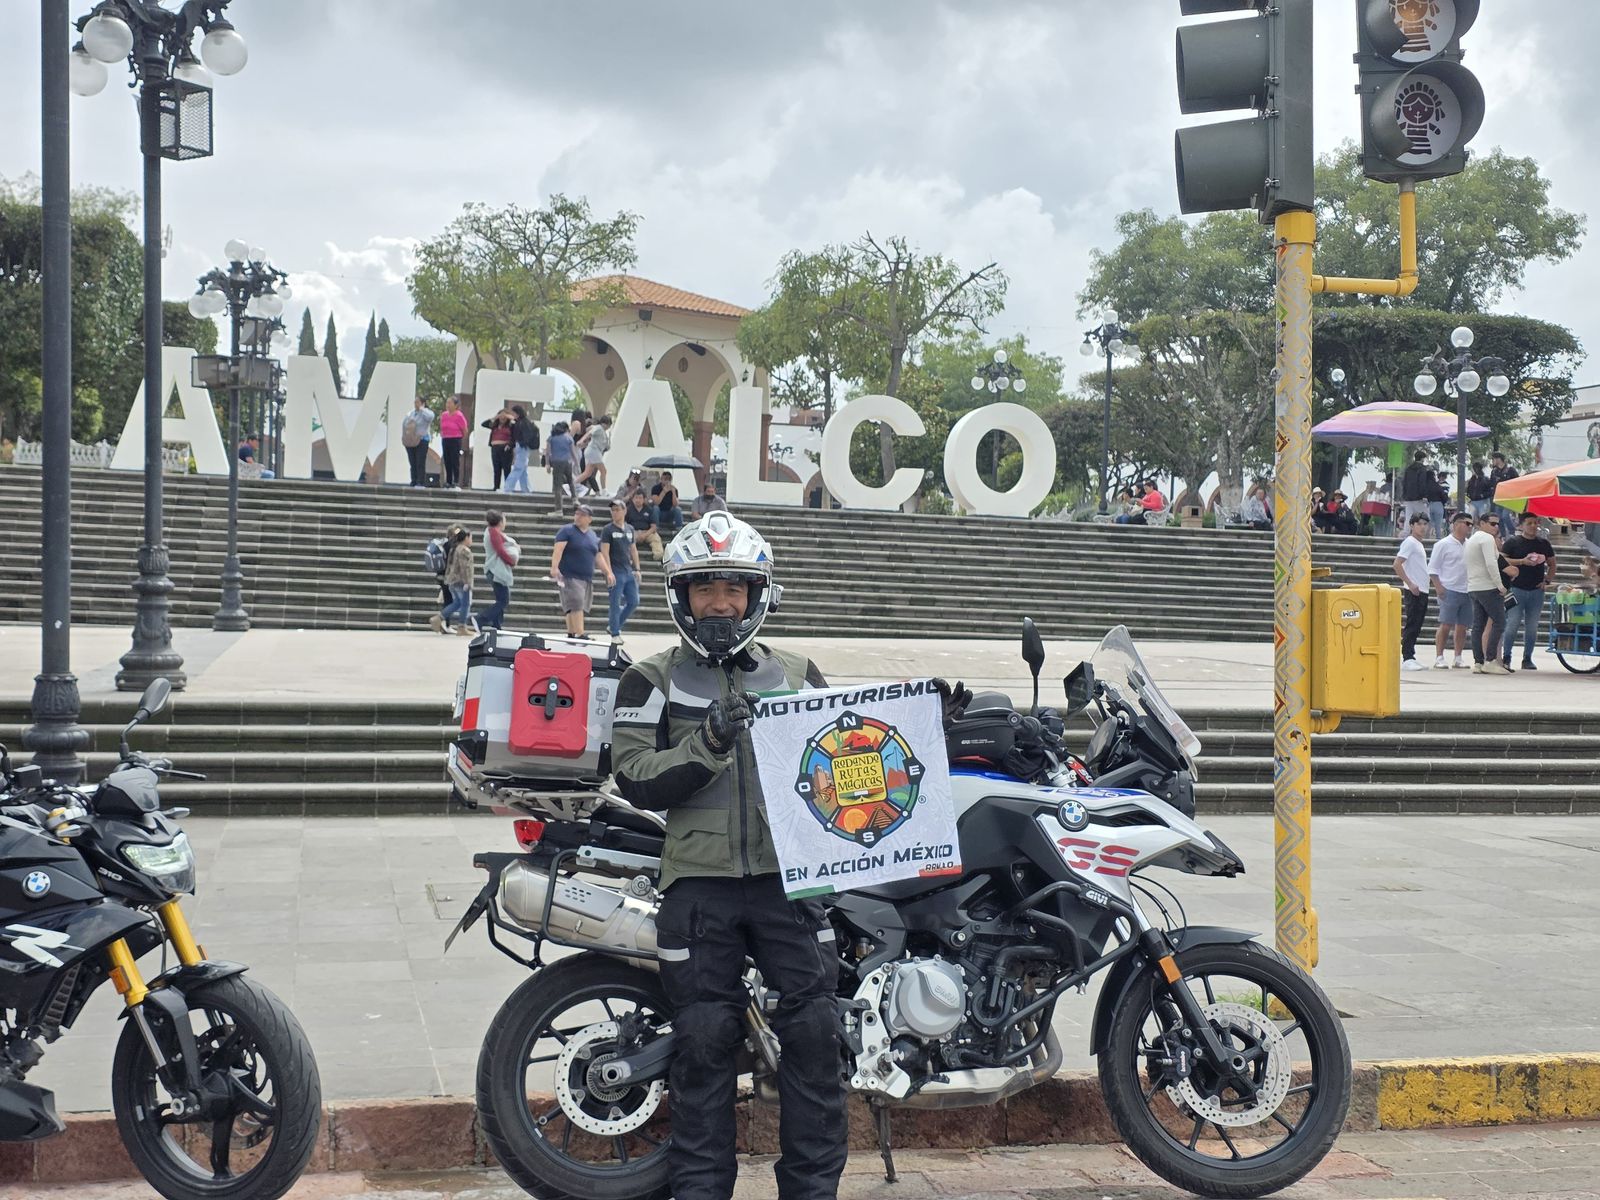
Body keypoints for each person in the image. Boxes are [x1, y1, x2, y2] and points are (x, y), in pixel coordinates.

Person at [609, 512, 846, 1200]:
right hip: (699, 889)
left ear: (757, 594)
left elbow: (845, 762)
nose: (719, 603)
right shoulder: (648, 680)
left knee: (814, 1038)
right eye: (704, 588)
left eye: (733, 589)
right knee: (704, 1043)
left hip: (789, 886)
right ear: (680, 598)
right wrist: (706, 743)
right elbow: (635, 776)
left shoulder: (799, 672)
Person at [1501, 512, 1557, 671]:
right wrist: (1521, 562)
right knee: (1512, 624)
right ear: (1521, 525)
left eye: (1535, 523)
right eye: (1529, 523)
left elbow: (1552, 564)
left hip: (1536, 591)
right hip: (1516, 589)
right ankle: (1507, 656)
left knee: (1532, 627)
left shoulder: (1543, 544)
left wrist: (1547, 580)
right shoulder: (1513, 542)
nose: (1533, 526)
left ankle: (1527, 658)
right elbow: (1502, 560)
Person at [549, 504, 605, 640]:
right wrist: (554, 567)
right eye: (577, 514)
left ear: (589, 519)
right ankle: (580, 633)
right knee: (576, 603)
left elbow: (598, 555)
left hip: (586, 576)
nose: (578, 517)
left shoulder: (592, 535)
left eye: (582, 515)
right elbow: (558, 549)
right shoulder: (567, 531)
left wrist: (607, 572)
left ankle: (571, 632)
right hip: (570, 574)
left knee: (573, 605)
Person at [1465, 512, 1511, 674]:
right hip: (1487, 587)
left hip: (1474, 587)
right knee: (1500, 622)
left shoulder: (1471, 541)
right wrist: (1500, 585)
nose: (1496, 527)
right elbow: (1491, 563)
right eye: (1492, 524)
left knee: (1478, 625)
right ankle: (1490, 660)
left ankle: (1478, 662)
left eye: (1498, 524)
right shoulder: (1486, 539)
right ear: (1481, 523)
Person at [1428, 511, 1473, 670]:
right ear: (1455, 525)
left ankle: (1458, 657)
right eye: (1466, 523)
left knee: (1462, 626)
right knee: (1446, 624)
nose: (1469, 527)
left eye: (1470, 524)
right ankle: (1439, 656)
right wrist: (1439, 587)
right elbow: (1433, 569)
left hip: (1467, 590)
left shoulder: (1470, 544)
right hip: (1449, 588)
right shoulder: (1442, 544)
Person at [1393, 513, 1432, 671]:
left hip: (1422, 589)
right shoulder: (1410, 542)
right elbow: (1397, 564)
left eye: (1424, 524)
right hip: (1414, 589)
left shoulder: (1418, 544)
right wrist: (1409, 583)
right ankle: (1407, 656)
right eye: (1419, 524)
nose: (1422, 527)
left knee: (1417, 624)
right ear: (1412, 525)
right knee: (1412, 623)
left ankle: (1411, 655)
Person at [599, 498, 641, 642]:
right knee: (615, 603)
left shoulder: (630, 529)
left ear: (624, 511)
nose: (615, 513)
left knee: (634, 601)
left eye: (617, 510)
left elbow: (633, 549)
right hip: (615, 570)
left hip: (627, 570)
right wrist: (608, 572)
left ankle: (614, 625)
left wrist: (637, 568)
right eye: (613, 510)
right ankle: (615, 633)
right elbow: (604, 552)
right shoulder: (608, 529)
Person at [474, 509, 518, 631]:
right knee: (503, 600)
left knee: (500, 599)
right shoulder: (493, 533)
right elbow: (500, 550)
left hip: (494, 569)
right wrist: (511, 561)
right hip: (496, 570)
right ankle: (480, 619)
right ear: (500, 522)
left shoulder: (491, 531)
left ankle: (497, 625)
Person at [431, 528, 474, 635]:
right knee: (465, 604)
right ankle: (462, 626)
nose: (471, 540)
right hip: (461, 581)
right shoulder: (464, 550)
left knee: (457, 603)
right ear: (466, 538)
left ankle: (438, 618)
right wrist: (468, 583)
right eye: (471, 537)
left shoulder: (454, 548)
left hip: (452, 580)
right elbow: (465, 568)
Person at [501, 404, 538, 494]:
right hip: (522, 446)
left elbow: (522, 436)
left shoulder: (522, 423)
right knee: (523, 470)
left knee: (518, 468)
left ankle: (507, 488)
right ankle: (526, 489)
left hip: (522, 447)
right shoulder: (522, 422)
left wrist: (520, 443)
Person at [575, 413, 612, 495]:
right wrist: (581, 441)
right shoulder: (598, 428)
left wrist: (609, 438)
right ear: (605, 424)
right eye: (608, 425)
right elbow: (589, 434)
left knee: (587, 473)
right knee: (603, 471)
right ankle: (604, 491)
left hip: (594, 452)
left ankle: (573, 484)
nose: (608, 427)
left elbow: (607, 447)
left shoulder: (604, 433)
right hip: (593, 451)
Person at [402, 396, 434, 488]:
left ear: (422, 403)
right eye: (415, 402)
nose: (415, 404)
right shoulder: (411, 413)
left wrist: (422, 409)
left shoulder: (426, 412)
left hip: (422, 440)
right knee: (412, 462)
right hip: (411, 440)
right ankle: (414, 480)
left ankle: (421, 481)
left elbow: (430, 417)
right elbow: (405, 423)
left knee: (420, 461)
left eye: (418, 402)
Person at [482, 407, 517, 491]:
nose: (502, 418)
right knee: (496, 469)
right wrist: (495, 417)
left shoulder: (511, 426)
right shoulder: (494, 426)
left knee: (506, 469)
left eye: (504, 417)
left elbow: (518, 424)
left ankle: (508, 487)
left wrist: (510, 416)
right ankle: (496, 487)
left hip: (505, 448)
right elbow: (484, 424)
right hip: (495, 448)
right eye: (501, 416)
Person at [625, 489, 665, 561]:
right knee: (625, 538)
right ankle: (625, 556)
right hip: (633, 532)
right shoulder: (628, 510)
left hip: (647, 532)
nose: (638, 500)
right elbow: (624, 524)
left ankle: (659, 557)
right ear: (633, 499)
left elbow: (654, 527)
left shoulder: (649, 510)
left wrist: (645, 535)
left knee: (656, 538)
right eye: (636, 498)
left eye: (640, 498)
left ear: (644, 499)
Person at [1399, 450, 1432, 532]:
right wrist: (1424, 495)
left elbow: (1404, 483)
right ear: (1422, 459)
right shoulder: (1422, 469)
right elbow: (1422, 483)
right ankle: (1424, 534)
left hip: (1408, 497)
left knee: (1409, 517)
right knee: (1426, 516)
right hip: (1418, 497)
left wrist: (1404, 495)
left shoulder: (1408, 469)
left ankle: (1405, 534)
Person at [1489, 452, 1520, 536]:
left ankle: (1511, 531)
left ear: (1499, 459)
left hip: (1508, 497)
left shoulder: (1510, 470)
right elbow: (1491, 484)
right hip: (1498, 497)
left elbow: (1518, 481)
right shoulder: (1494, 471)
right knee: (1498, 518)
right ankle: (1503, 535)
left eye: (1494, 459)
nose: (1493, 461)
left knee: (1505, 515)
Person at [439, 397, 467, 489]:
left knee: (454, 460)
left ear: (456, 405)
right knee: (447, 461)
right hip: (445, 439)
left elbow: (464, 430)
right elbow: (442, 427)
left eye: (450, 403)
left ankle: (456, 481)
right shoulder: (444, 415)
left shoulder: (459, 415)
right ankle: (448, 481)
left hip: (455, 439)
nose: (448, 405)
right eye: (447, 403)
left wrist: (461, 439)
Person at [546, 421, 575, 508]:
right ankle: (575, 499)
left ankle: (559, 508)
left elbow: (547, 452)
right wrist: (576, 463)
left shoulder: (551, 438)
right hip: (567, 462)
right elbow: (573, 452)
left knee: (558, 486)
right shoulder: (568, 438)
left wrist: (547, 464)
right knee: (570, 481)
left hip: (557, 463)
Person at [652, 470, 684, 534]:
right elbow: (656, 502)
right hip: (659, 513)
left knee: (678, 509)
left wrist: (673, 492)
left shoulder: (674, 489)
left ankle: (679, 529)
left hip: (669, 513)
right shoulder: (655, 488)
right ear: (661, 479)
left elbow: (675, 505)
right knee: (655, 508)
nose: (667, 481)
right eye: (665, 479)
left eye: (669, 479)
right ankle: (656, 528)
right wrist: (663, 492)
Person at [1426, 471, 1449, 539]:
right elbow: (1444, 496)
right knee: (1438, 526)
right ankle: (1438, 541)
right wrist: (1443, 502)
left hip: (1429, 504)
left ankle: (1426, 540)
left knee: (1429, 525)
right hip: (1439, 504)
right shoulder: (1438, 486)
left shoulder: (1426, 485)